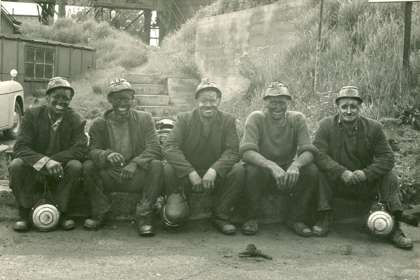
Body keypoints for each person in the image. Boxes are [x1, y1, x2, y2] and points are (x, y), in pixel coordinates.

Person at [313, 85, 413, 250]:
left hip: (364, 183)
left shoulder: (374, 127)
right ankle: (324, 215)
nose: (349, 111)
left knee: (390, 176)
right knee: (318, 170)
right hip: (337, 182)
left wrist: (365, 174)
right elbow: (318, 153)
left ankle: (395, 227)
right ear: (337, 107)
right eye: (344, 106)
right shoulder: (325, 125)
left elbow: (387, 157)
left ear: (360, 107)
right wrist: (341, 172)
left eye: (354, 106)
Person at [83, 78, 162, 236]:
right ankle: (100, 212)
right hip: (110, 175)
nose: (122, 103)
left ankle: (144, 216)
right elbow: (91, 150)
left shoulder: (144, 119)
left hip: (135, 175)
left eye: (126, 98)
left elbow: (155, 147)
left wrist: (135, 163)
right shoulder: (99, 123)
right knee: (88, 166)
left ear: (132, 99)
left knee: (157, 165)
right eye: (117, 99)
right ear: (110, 100)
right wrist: (107, 155)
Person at [238, 82, 319, 237]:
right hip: (262, 169)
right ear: (265, 103)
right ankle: (251, 217)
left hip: (287, 169)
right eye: (272, 103)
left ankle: (296, 218)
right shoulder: (256, 118)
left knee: (311, 170)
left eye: (281, 103)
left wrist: (296, 165)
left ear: (288, 103)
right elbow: (247, 151)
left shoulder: (297, 119)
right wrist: (270, 165)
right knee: (252, 170)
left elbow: (308, 150)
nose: (277, 107)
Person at [162, 80, 243, 235]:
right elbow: (169, 147)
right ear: (197, 101)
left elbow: (233, 151)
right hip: (187, 174)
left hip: (214, 174)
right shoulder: (184, 119)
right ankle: (176, 204)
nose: (208, 105)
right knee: (168, 168)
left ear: (219, 101)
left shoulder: (228, 120)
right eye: (203, 101)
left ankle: (221, 215)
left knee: (239, 170)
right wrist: (190, 172)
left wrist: (214, 170)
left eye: (212, 100)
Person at [9, 77, 87, 232]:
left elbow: (80, 149)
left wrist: (52, 161)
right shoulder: (32, 115)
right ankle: (24, 214)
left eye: (65, 98)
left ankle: (63, 212)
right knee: (16, 165)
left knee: (76, 166)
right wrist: (44, 161)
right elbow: (20, 146)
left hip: (60, 169)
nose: (60, 101)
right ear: (47, 98)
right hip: (33, 168)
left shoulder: (76, 119)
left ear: (70, 100)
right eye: (56, 97)